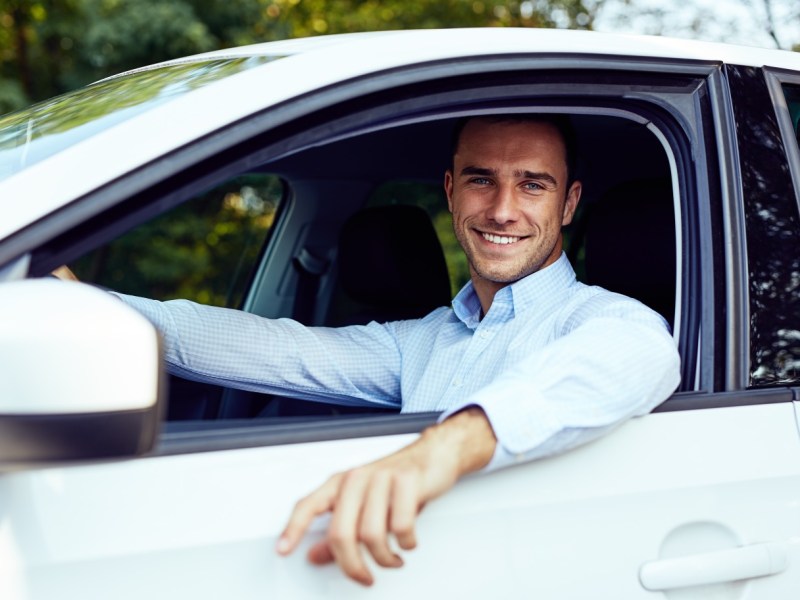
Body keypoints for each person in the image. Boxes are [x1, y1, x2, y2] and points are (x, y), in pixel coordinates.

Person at [56, 115, 680, 586]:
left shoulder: (609, 321)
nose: (503, 209)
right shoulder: (425, 339)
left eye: (533, 185)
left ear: (568, 203)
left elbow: (637, 356)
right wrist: (73, 302)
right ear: (451, 190)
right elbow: (266, 346)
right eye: (481, 180)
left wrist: (430, 454)